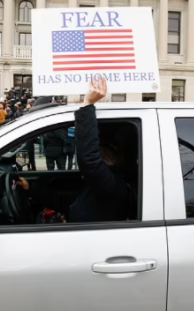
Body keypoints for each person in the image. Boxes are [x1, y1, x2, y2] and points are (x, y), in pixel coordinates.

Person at [18, 78, 131, 223]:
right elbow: (65, 201)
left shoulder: (113, 186)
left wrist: (87, 106)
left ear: (112, 160)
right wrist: (31, 188)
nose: (83, 172)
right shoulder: (96, 188)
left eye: (101, 155)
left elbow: (90, 163)